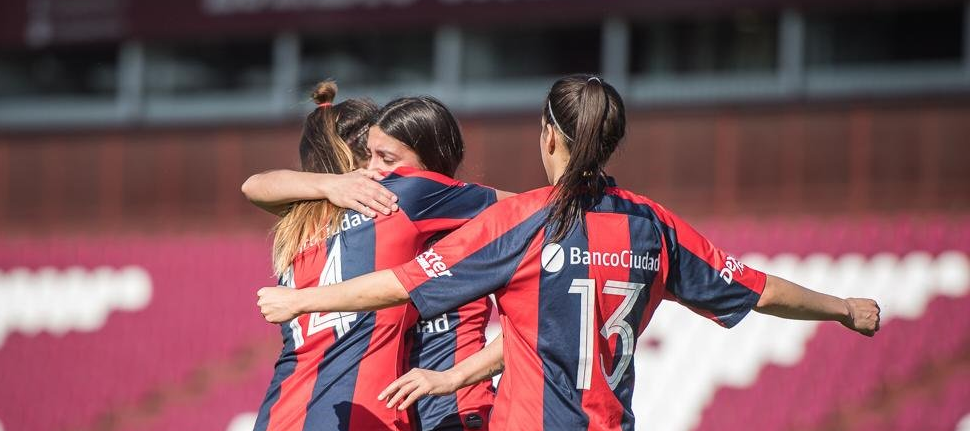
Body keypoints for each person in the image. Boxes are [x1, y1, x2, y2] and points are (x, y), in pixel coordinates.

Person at [254, 75, 882, 431]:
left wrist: (303, 298)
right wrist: (843, 308)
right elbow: (760, 289)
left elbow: (403, 284)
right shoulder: (651, 225)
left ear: (549, 134)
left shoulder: (521, 220)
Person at [248, 84, 501, 431]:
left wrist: (325, 186)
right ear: (358, 156)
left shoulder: (297, 223)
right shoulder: (397, 197)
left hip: (279, 413)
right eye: (374, 155)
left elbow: (253, 186)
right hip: (364, 413)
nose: (379, 168)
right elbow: (532, 208)